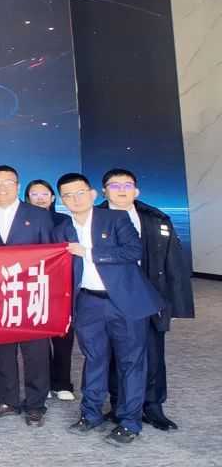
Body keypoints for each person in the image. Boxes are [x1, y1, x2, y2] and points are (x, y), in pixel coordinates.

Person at [52, 173, 164, 447]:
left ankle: (129, 422)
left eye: (81, 192)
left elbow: (133, 251)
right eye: (68, 195)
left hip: (124, 302)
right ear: (62, 200)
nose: (76, 199)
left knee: (131, 362)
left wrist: (88, 252)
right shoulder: (61, 230)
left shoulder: (115, 219)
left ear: (92, 194)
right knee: (94, 359)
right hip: (87, 303)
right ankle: (90, 414)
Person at [96, 168, 194, 431]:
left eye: (127, 185)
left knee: (153, 355)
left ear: (136, 190)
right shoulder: (93, 218)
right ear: (104, 191)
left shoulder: (155, 218)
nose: (122, 190)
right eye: (114, 185)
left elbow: (173, 263)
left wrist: (176, 305)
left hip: (149, 298)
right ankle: (119, 405)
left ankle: (153, 408)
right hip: (110, 297)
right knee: (114, 355)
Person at [0, 165, 55, 427]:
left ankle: (36, 404)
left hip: (32, 294)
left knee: (36, 352)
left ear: (19, 187)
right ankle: (8, 399)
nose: (2, 187)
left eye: (8, 182)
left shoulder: (38, 215)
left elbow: (51, 255)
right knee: (2, 351)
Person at [25, 179, 75, 400]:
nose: (40, 198)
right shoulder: (23, 221)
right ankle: (42, 384)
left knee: (64, 336)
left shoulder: (64, 221)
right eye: (34, 194)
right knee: (39, 339)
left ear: (53, 198)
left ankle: (62, 383)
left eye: (44, 194)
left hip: (62, 285)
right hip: (34, 286)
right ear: (27, 199)